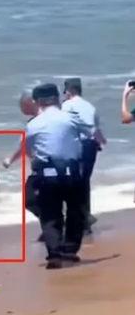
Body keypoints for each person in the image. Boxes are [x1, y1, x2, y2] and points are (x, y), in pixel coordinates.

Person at [25, 83, 87, 269]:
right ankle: (70, 250)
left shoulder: (33, 125)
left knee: (50, 214)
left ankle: (54, 253)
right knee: (76, 211)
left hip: (47, 174)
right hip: (72, 172)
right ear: (57, 98)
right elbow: (88, 137)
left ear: (37, 102)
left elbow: (29, 151)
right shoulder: (71, 119)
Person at [62, 77, 107, 234]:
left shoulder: (66, 106)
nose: (65, 94)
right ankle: (85, 221)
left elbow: (64, 128)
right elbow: (95, 130)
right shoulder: (90, 107)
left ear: (71, 90)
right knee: (84, 182)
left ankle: (81, 218)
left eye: (65, 91)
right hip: (90, 147)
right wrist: (101, 142)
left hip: (76, 146)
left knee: (72, 183)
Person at [3, 90, 42, 230]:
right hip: (50, 167)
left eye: (22, 105)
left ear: (31, 103)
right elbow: (25, 146)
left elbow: (24, 145)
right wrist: (11, 159)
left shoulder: (37, 122)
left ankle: (55, 225)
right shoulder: (40, 120)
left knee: (30, 200)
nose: (21, 109)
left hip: (44, 168)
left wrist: (10, 159)